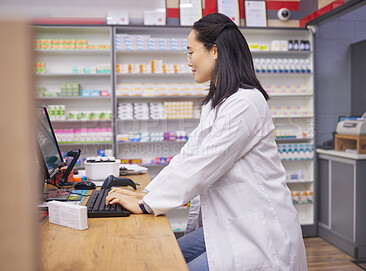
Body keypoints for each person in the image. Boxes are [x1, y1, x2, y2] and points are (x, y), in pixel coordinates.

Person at [106, 12, 307, 271]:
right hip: (232, 224)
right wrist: (147, 193)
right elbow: (188, 156)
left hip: (261, 234)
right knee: (166, 255)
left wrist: (145, 204)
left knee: (168, 263)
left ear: (214, 51)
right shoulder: (218, 103)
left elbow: (202, 165)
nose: (189, 61)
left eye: (191, 52)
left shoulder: (245, 103)